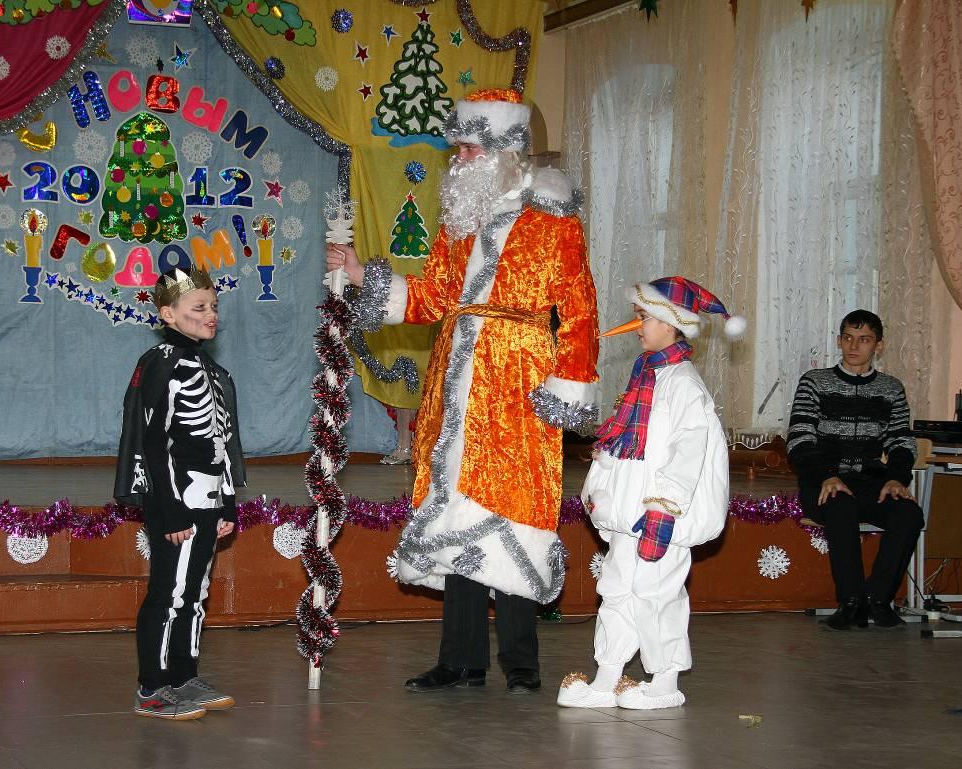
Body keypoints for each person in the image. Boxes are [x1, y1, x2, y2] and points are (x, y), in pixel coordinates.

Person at [327, 88, 600, 694]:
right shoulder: (459, 223)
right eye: (458, 149)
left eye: (470, 146)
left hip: (519, 381)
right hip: (457, 385)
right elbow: (432, 298)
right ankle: (462, 658)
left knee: (517, 510)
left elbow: (579, 310)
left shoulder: (553, 219)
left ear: (507, 148)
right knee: (457, 511)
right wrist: (358, 272)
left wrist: (569, 383)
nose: (460, 159)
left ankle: (522, 663)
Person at [558, 277, 741, 711]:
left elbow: (689, 454)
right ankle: (608, 674)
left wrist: (664, 510)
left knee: (658, 595)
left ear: (671, 323)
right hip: (628, 519)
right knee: (618, 591)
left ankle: (664, 679)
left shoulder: (683, 386)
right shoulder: (645, 380)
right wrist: (600, 490)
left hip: (659, 521)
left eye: (644, 318)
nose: (637, 326)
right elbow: (619, 447)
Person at [114, 266, 246, 719]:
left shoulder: (209, 368)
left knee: (196, 591)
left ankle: (184, 677)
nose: (211, 316)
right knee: (168, 594)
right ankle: (152, 687)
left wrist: (227, 500)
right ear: (168, 314)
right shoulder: (161, 364)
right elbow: (152, 442)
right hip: (176, 500)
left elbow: (221, 443)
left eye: (213, 307)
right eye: (199, 308)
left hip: (209, 498)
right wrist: (167, 511)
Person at [786, 309, 924, 631]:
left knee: (908, 514)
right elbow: (799, 440)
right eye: (848, 338)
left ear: (879, 345)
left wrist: (895, 478)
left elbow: (903, 440)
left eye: (864, 340)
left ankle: (877, 600)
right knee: (841, 506)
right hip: (823, 482)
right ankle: (850, 603)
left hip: (871, 481)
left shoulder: (891, 389)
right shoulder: (814, 383)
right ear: (839, 340)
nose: (854, 346)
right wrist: (826, 475)